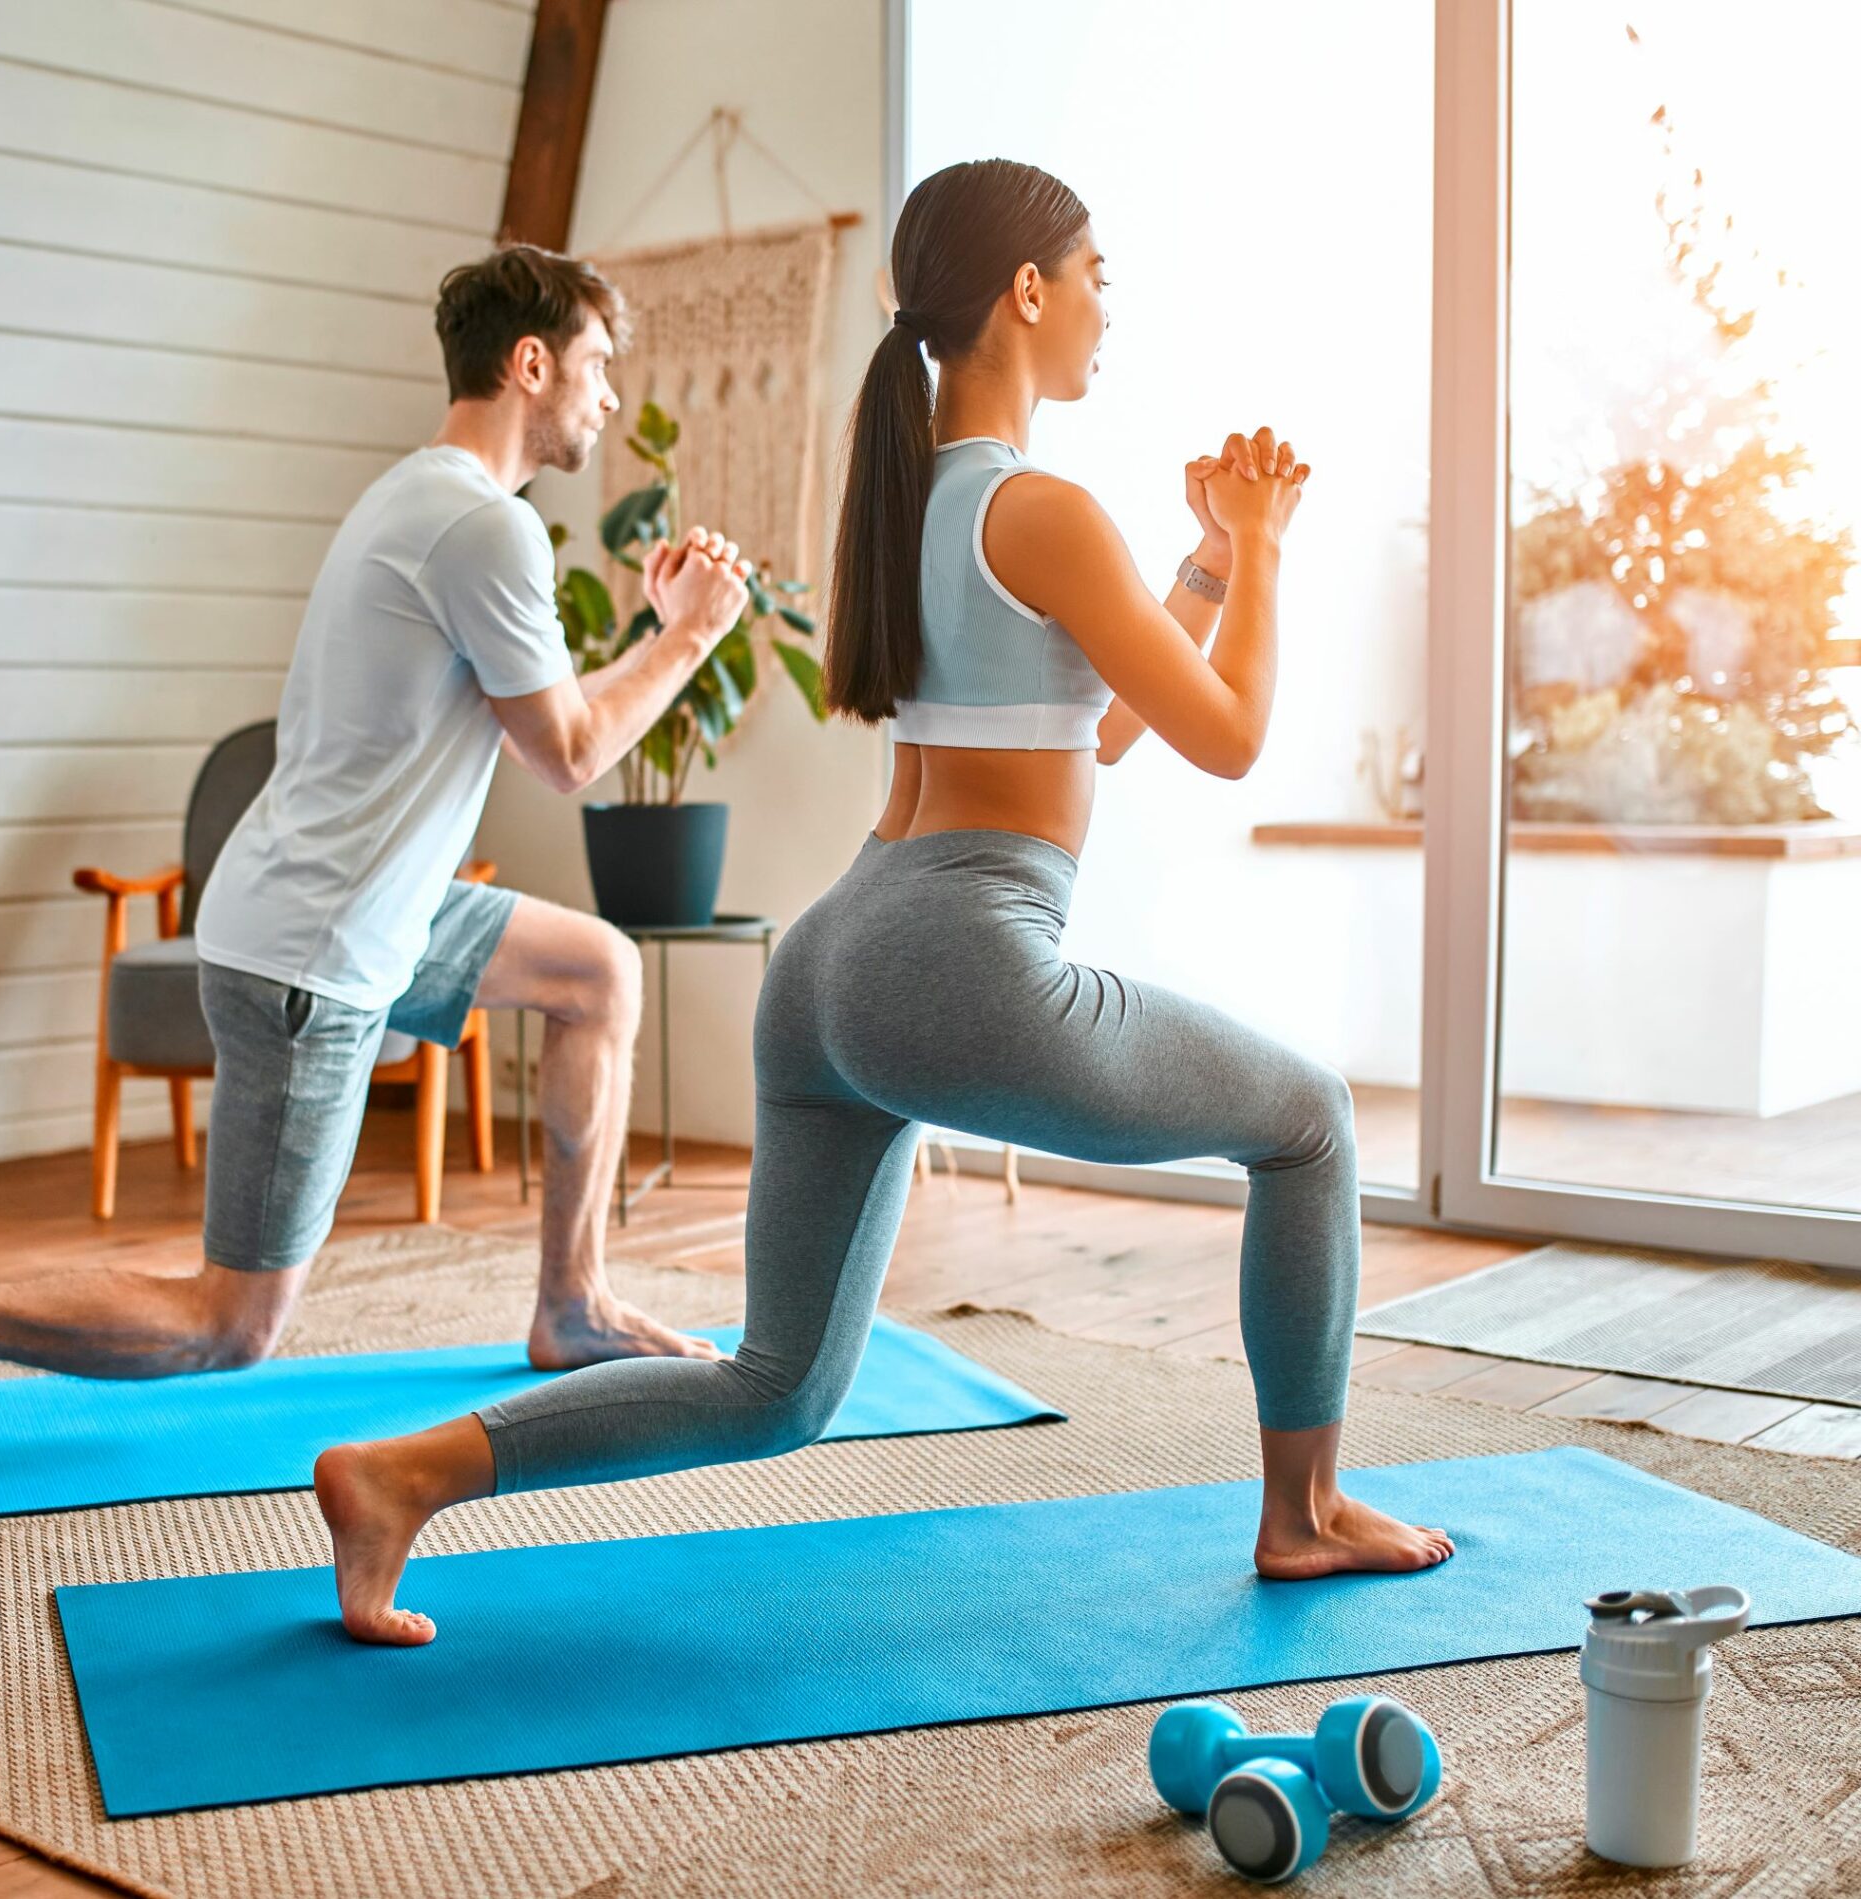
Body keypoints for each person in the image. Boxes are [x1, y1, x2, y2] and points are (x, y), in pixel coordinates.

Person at [313, 159, 1456, 1644]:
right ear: (1028, 290)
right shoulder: (1041, 506)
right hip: (959, 950)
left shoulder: (924, 498)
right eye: (1097, 271)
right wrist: (1276, 547)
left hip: (838, 950)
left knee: (775, 1383)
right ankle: (1301, 1512)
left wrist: (1206, 562)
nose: (1111, 303)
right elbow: (1230, 737)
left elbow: (1096, 725)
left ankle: (400, 1476)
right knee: (1308, 1119)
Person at [0, 246, 756, 1470]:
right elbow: (570, 753)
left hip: (361, 909)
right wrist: (691, 636)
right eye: (597, 366)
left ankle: (571, 1303)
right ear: (531, 362)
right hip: (313, 953)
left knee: (595, 971)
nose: (606, 397)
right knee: (227, 1324)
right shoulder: (482, 529)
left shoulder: (424, 495)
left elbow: (550, 719)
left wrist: (660, 640)